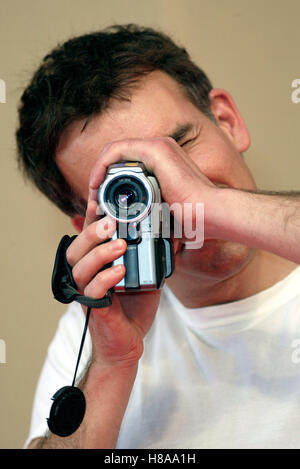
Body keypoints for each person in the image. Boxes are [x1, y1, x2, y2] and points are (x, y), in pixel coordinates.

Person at [16, 24, 300, 449]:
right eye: (127, 190)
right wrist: (112, 366)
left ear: (227, 122)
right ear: (88, 225)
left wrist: (219, 206)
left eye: (180, 148)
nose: (171, 193)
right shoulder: (92, 333)